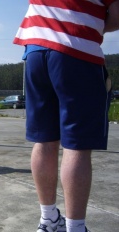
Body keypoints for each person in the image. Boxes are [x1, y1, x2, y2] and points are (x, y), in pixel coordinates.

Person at [13, 1, 119, 232]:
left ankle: (49, 219)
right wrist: (96, 23)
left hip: (35, 50)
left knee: (44, 141)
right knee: (77, 146)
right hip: (76, 48)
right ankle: (75, 227)